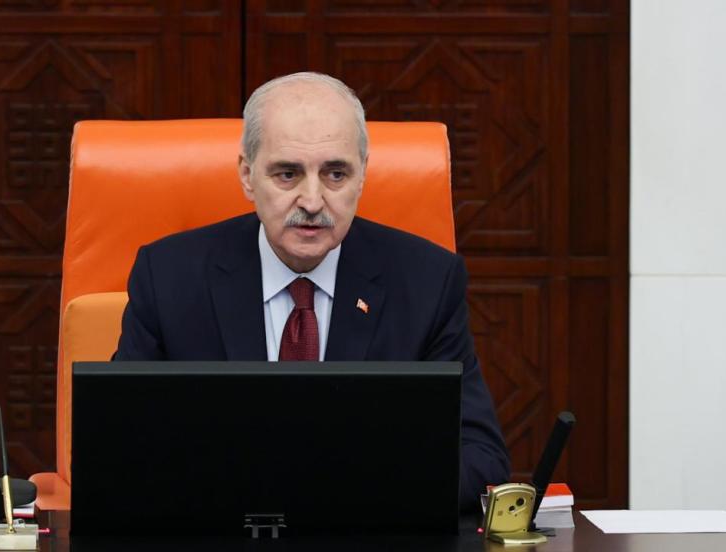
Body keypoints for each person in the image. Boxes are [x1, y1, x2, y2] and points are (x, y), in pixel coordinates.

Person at [114, 72, 510, 510]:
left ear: (363, 176)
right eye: (287, 174)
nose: (312, 201)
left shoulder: (428, 282)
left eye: (335, 174)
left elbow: (481, 459)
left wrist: (339, 490)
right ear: (247, 175)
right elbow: (116, 446)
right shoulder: (168, 277)